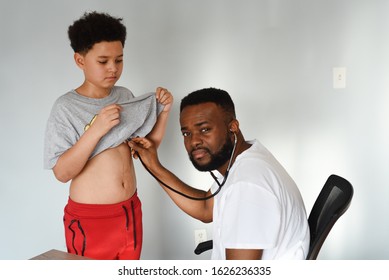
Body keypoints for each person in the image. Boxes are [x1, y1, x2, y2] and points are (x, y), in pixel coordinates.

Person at [43, 11, 173, 260]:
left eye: (119, 60)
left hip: (130, 210)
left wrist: (164, 112)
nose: (113, 69)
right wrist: (97, 129)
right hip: (92, 220)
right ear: (80, 61)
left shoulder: (124, 95)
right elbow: (62, 173)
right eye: (103, 61)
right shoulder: (66, 107)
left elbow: (148, 147)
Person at [129, 87, 309, 260]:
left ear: (233, 127)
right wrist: (153, 165)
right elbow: (206, 209)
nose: (194, 141)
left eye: (205, 129)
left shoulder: (247, 186)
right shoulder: (247, 160)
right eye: (186, 133)